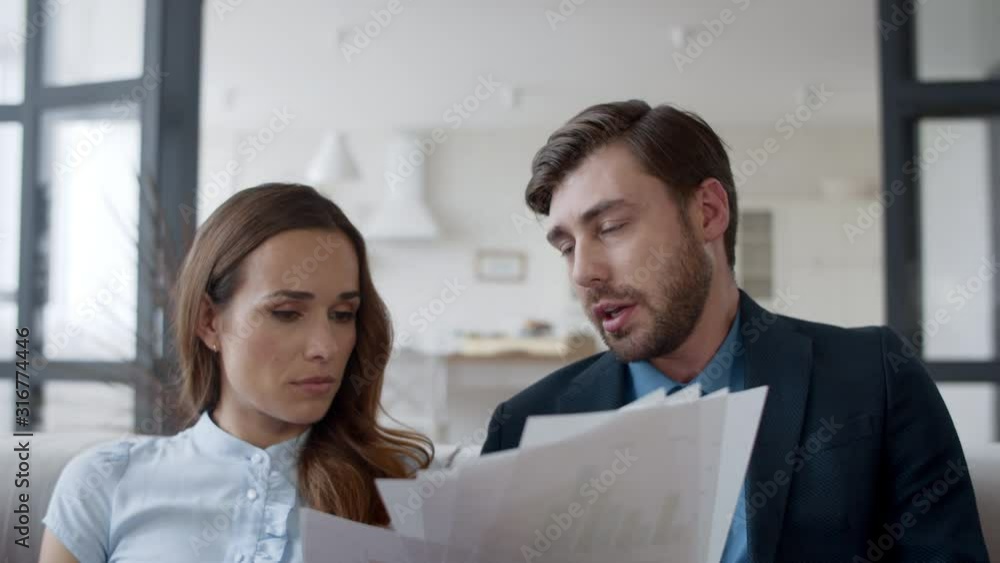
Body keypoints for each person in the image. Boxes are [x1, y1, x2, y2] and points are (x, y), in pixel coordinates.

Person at [480, 100, 989, 562]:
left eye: (610, 227)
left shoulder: (874, 375)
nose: (582, 271)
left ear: (708, 212)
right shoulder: (525, 427)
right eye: (566, 245)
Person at [39, 183, 432, 563]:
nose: (324, 347)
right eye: (287, 313)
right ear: (210, 321)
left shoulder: (404, 489)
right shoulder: (104, 480)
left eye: (342, 315)